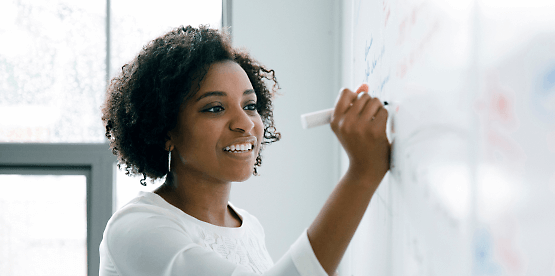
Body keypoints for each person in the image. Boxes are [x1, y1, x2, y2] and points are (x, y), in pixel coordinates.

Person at [99, 25, 390, 276]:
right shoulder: (137, 228)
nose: (244, 124)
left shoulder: (249, 227)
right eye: (215, 108)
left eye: (250, 106)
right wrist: (363, 173)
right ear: (165, 131)